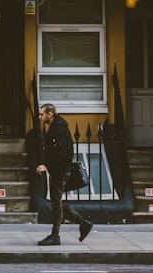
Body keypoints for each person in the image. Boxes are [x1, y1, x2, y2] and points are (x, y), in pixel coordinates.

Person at [35, 103, 93, 245]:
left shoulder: (58, 129)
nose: (39, 117)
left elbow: (62, 153)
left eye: (42, 114)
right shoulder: (56, 127)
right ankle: (82, 223)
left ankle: (56, 235)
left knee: (56, 203)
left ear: (50, 114)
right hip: (59, 170)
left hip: (60, 171)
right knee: (56, 202)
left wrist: (46, 166)